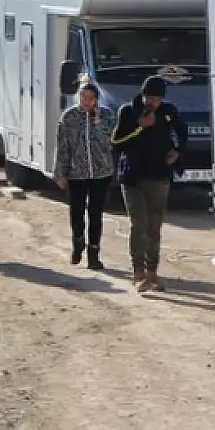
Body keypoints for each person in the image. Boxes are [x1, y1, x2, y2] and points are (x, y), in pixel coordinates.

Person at [112, 75, 188, 292]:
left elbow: (183, 133)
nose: (152, 102)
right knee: (139, 225)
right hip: (133, 177)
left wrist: (177, 152)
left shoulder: (168, 112)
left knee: (155, 227)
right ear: (143, 95)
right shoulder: (128, 111)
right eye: (149, 97)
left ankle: (152, 272)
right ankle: (138, 272)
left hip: (159, 176)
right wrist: (139, 125)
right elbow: (116, 143)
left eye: (156, 98)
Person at [52, 76, 116, 270]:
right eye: (83, 97)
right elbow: (63, 147)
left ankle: (94, 253)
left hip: (100, 173)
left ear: (97, 99)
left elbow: (109, 141)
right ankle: (77, 243)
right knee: (77, 211)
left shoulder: (106, 116)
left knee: (96, 214)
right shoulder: (68, 117)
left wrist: (97, 121)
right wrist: (60, 173)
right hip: (76, 173)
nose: (86, 102)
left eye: (90, 98)